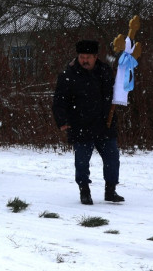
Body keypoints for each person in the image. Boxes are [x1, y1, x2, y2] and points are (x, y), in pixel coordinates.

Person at [53, 40, 123, 205]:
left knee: (112, 158)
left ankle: (111, 190)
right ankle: (84, 190)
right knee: (82, 162)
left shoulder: (105, 71)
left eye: (88, 57)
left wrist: (124, 77)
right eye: (82, 57)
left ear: (95, 57)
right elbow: (59, 101)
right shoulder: (68, 74)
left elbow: (116, 89)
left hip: (105, 123)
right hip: (80, 124)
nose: (84, 60)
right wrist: (62, 120)